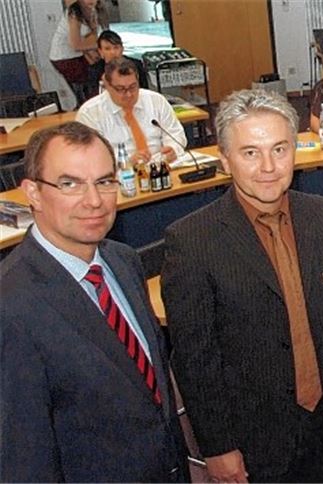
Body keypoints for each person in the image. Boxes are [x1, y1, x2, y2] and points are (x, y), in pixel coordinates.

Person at [161, 89, 323, 482]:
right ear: (225, 158)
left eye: (280, 149)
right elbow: (196, 362)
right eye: (250, 152)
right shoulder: (191, 241)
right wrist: (217, 445)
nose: (268, 166)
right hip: (253, 439)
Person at [0, 122, 187, 481]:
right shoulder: (12, 306)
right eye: (70, 184)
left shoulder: (123, 260)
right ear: (32, 193)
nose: (94, 201)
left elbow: (153, 392)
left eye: (104, 181)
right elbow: (23, 457)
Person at [76, 58, 185, 166]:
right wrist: (127, 162)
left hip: (160, 167)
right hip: (118, 176)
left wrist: (173, 148)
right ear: (107, 86)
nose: (128, 94)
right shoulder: (90, 113)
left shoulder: (156, 101)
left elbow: (175, 133)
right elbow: (91, 158)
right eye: (121, 89)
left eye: (133, 87)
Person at [49, 0, 101, 106]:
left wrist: (94, 53)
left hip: (77, 54)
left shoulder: (92, 11)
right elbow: (76, 45)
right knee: (88, 88)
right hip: (63, 57)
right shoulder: (74, 13)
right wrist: (100, 45)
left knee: (99, 70)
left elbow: (91, 36)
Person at [86, 30, 149, 99]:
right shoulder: (95, 70)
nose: (113, 52)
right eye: (107, 49)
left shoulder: (136, 65)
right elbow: (93, 96)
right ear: (100, 52)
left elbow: (145, 91)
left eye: (116, 48)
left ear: (122, 49)